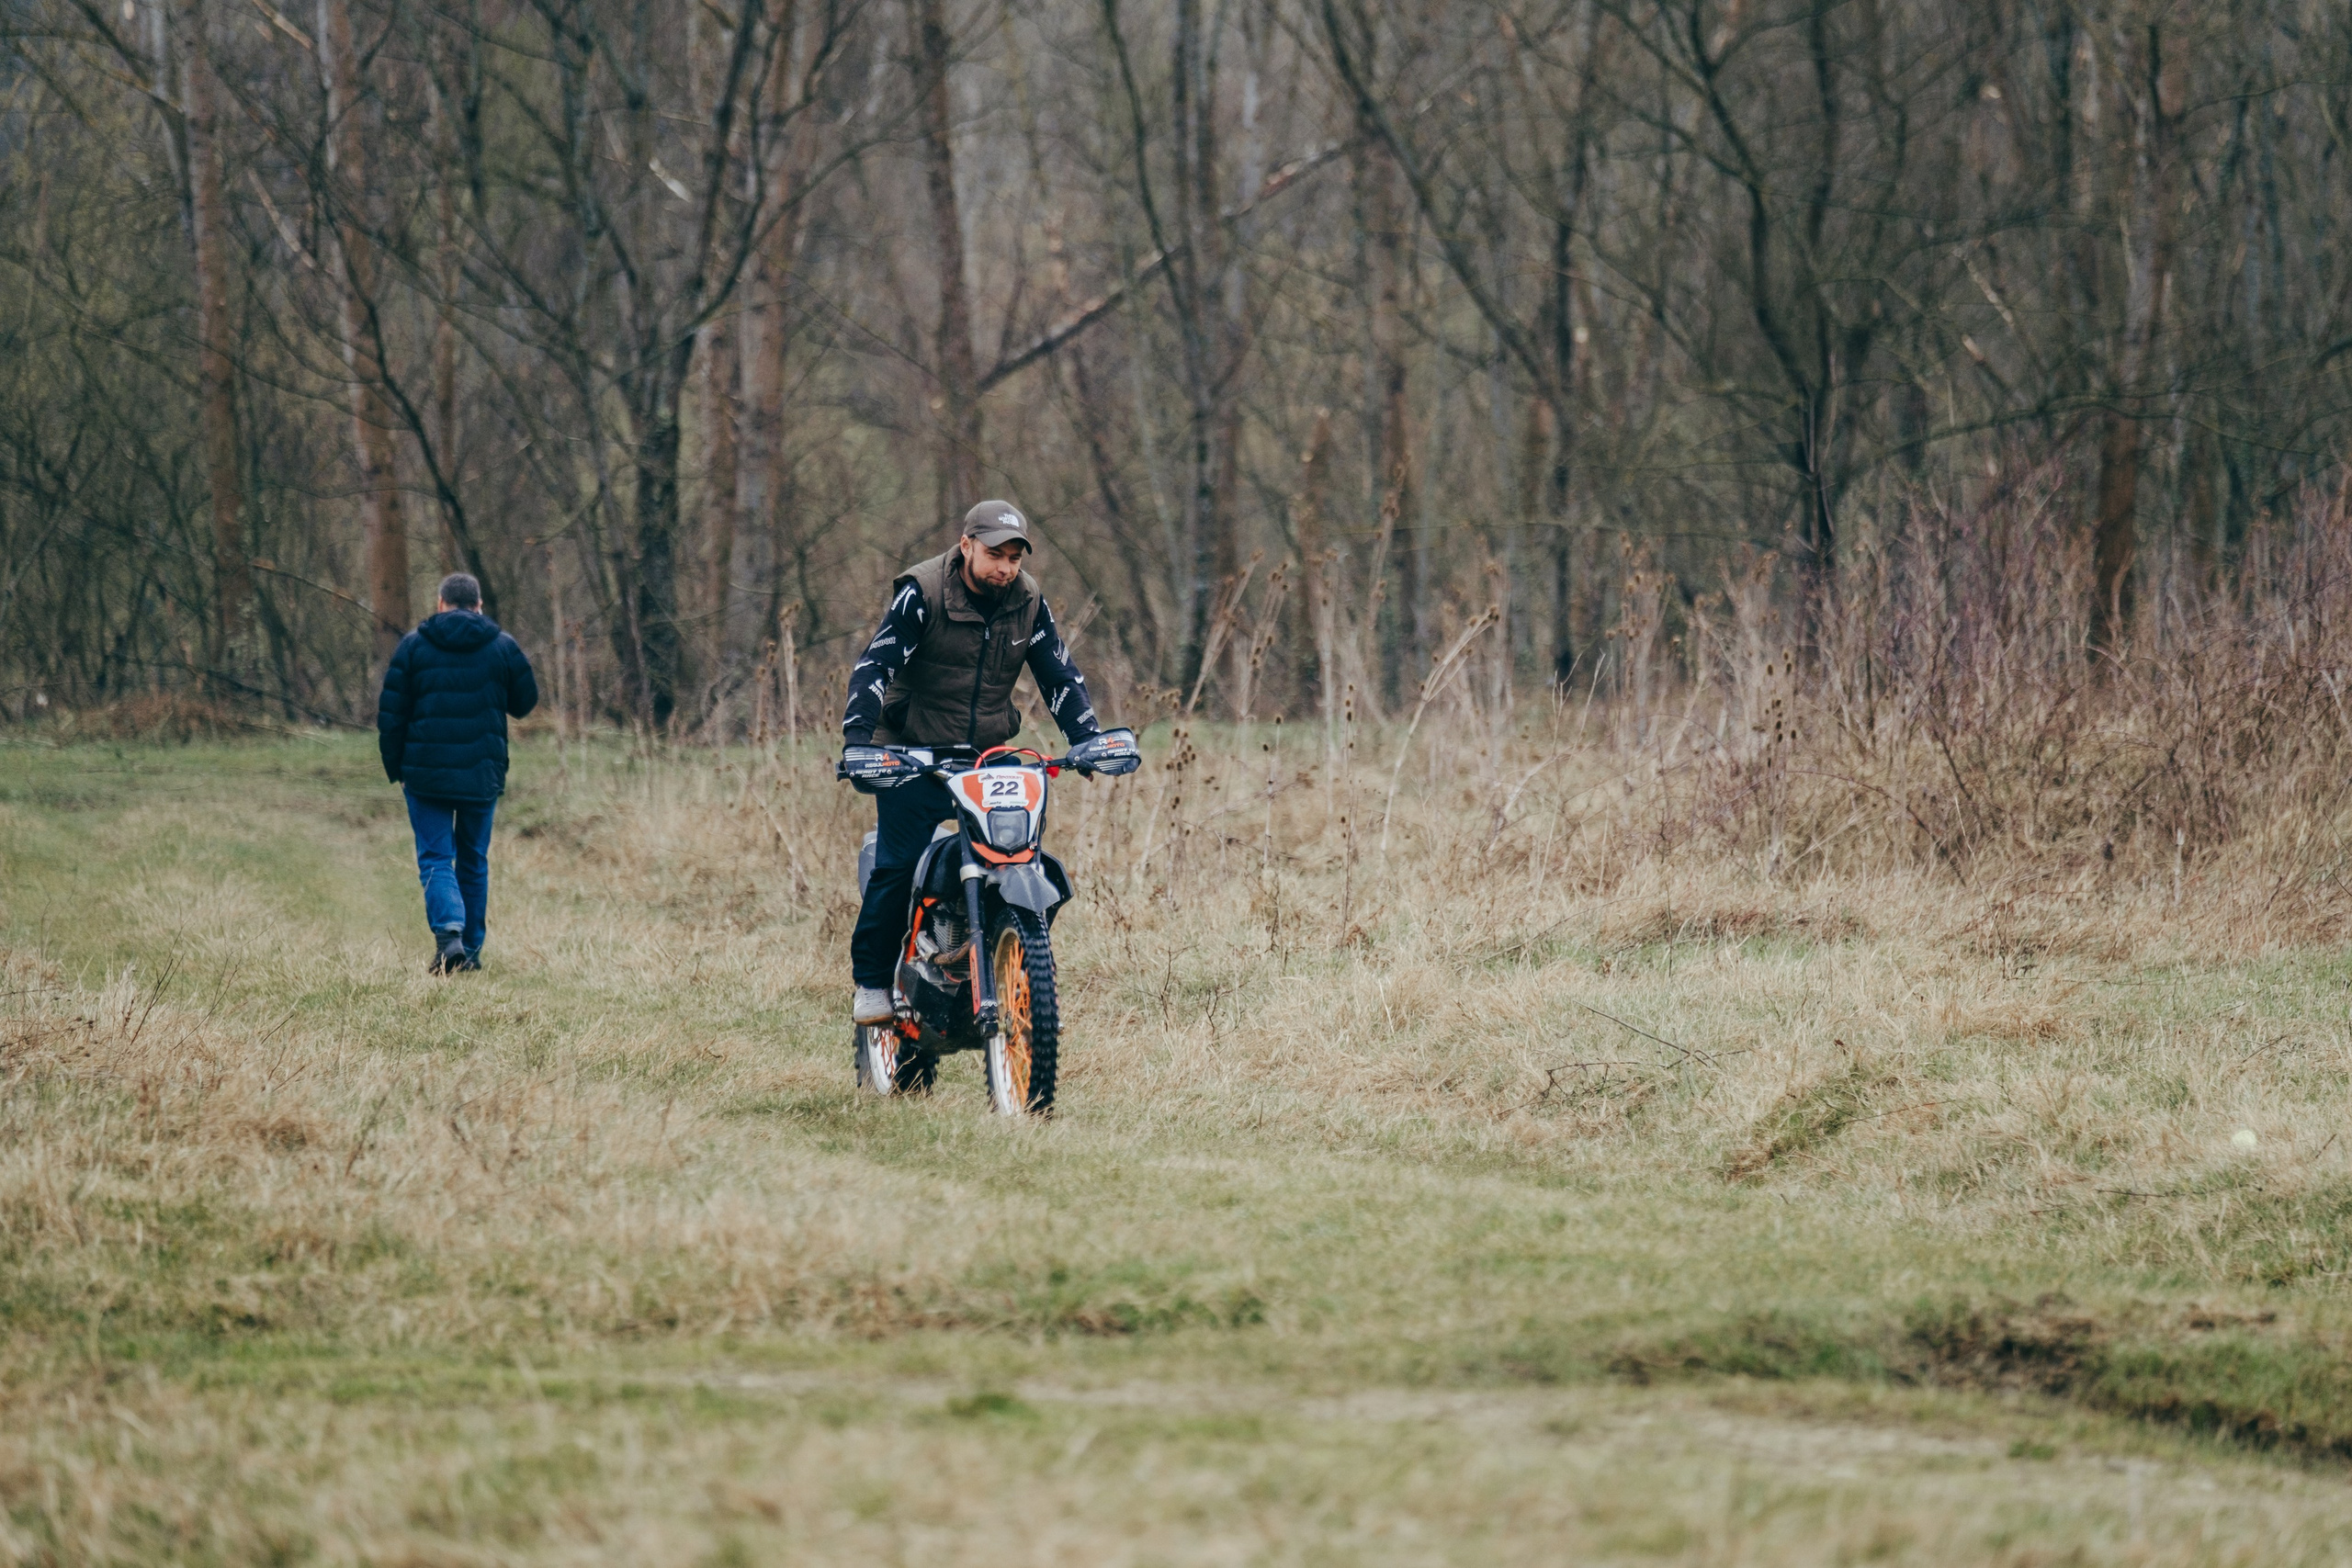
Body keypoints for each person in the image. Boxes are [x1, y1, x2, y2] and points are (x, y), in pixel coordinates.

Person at [841, 500, 1102, 1024]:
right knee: (896, 867)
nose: (1005, 567)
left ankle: (983, 949)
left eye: (1014, 557)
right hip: (911, 753)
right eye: (994, 554)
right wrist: (859, 742)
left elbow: (1059, 677)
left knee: (1020, 859)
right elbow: (876, 665)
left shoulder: (1028, 601)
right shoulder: (922, 592)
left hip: (986, 756)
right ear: (966, 546)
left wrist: (1087, 738)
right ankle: (872, 982)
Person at [377, 572, 539, 975]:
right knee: (472, 861)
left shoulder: (413, 645)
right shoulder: (502, 646)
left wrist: (395, 767)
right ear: (479, 605)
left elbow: (391, 715)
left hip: (425, 775)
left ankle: (449, 936)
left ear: (440, 603)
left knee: (435, 858)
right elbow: (525, 703)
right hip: (481, 775)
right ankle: (470, 950)